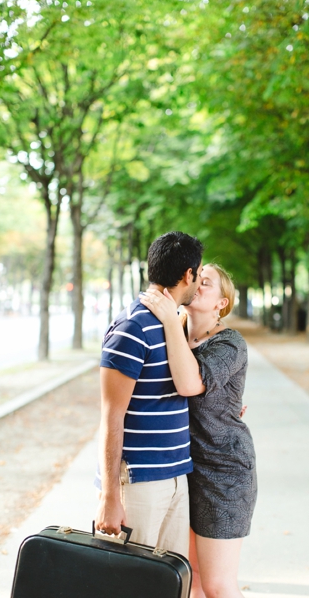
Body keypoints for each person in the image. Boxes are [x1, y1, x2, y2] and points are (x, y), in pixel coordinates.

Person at [140, 263, 256, 598]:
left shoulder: (231, 344)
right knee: (190, 581)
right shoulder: (170, 333)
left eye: (207, 283)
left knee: (218, 584)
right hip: (180, 469)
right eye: (196, 279)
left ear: (222, 303)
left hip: (224, 472)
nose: (197, 285)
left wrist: (169, 320)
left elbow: (190, 384)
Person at [95, 231, 204, 558]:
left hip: (175, 476)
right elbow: (111, 416)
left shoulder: (172, 324)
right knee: (129, 584)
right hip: (138, 482)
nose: (199, 284)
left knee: (171, 582)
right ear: (189, 275)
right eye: (199, 276)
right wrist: (110, 497)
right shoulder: (133, 327)